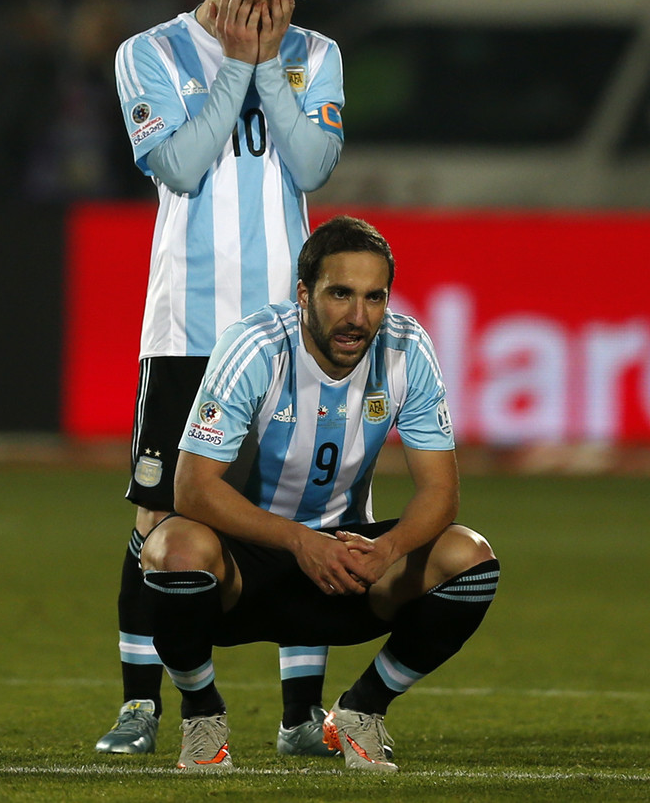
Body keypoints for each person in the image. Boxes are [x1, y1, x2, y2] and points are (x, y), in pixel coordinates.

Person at [95, 0, 344, 757]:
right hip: (188, 328)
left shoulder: (314, 54)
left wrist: (269, 63)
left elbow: (311, 168)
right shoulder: (150, 55)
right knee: (157, 518)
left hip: (288, 332)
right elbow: (180, 166)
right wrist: (239, 66)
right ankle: (140, 708)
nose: (270, 18)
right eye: (253, 2)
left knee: (307, 511)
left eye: (281, 3)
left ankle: (300, 715)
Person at [139, 215, 500, 772]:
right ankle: (202, 713)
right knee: (170, 549)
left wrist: (388, 550)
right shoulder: (255, 346)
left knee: (468, 556)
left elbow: (441, 493)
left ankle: (362, 710)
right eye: (340, 294)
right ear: (304, 294)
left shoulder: (407, 348)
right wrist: (299, 541)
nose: (359, 317)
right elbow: (191, 488)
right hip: (244, 571)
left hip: (345, 568)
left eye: (374, 297)